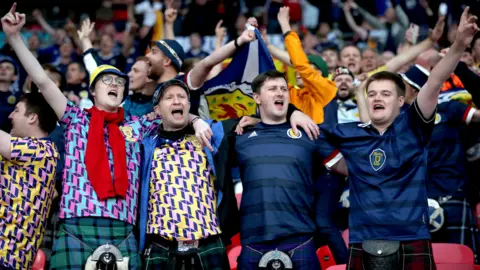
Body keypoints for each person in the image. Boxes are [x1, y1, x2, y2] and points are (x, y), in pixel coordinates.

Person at [2, 4, 213, 269]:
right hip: (76, 222)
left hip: (123, 226)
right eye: (107, 81)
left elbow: (175, 108)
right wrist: (14, 38)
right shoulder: (75, 118)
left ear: (124, 94)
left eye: (119, 83)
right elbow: (43, 81)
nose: (114, 84)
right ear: (92, 91)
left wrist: (197, 119)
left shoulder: (138, 125)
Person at [316, 8, 478, 269]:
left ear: (401, 101)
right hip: (363, 239)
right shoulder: (349, 132)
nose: (377, 98)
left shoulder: (414, 124)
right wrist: (339, 164)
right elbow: (312, 138)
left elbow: (435, 81)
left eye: (386, 94)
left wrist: (458, 45)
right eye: (373, 94)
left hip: (411, 237)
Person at [139, 77, 317, 269]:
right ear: (157, 110)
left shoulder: (213, 134)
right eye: (169, 98)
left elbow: (270, 113)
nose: (177, 101)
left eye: (182, 97)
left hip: (208, 244)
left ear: (189, 105)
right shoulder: (143, 142)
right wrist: (195, 119)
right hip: (160, 245)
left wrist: (294, 112)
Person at [234, 70, 346, 269]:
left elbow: (346, 168)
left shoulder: (309, 133)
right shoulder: (239, 135)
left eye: (283, 89)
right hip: (253, 242)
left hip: (300, 240)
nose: (280, 93)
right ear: (257, 98)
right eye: (272, 89)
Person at [0, 92, 59, 269]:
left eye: (16, 110)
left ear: (32, 117)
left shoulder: (45, 150)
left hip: (8, 256)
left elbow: (7, 146)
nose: (10, 115)